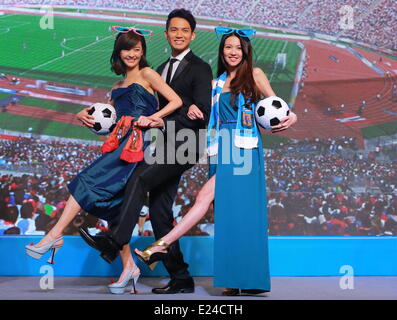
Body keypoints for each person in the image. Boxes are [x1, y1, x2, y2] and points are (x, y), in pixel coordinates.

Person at [134, 26, 297, 296]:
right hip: (221, 152)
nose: (232, 52)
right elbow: (196, 109)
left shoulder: (255, 75)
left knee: (204, 199)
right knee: (231, 216)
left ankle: (160, 245)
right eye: (227, 48)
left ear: (245, 52)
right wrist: (192, 108)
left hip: (243, 151)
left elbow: (279, 107)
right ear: (222, 52)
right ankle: (240, 280)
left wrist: (294, 117)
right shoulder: (215, 83)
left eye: (237, 48)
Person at [25, 26, 182, 294]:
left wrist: (154, 118)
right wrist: (82, 116)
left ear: (142, 51)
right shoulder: (116, 86)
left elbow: (175, 101)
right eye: (127, 48)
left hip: (138, 146)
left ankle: (54, 235)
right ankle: (129, 268)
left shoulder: (148, 74)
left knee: (86, 180)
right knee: (115, 211)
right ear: (118, 52)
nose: (132, 53)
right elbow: (110, 122)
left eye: (136, 48)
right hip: (119, 144)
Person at [79, 8, 213, 294]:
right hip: (161, 146)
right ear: (166, 34)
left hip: (184, 145)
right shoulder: (157, 69)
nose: (178, 34)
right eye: (173, 30)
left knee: (139, 179)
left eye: (184, 30)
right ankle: (181, 278)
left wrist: (166, 117)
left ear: (192, 35)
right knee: (159, 212)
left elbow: (202, 112)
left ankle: (114, 241)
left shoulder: (200, 67)